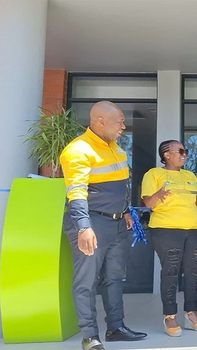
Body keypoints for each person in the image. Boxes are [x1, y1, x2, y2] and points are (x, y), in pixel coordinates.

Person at [60, 101, 147, 350]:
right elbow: (76, 192)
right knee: (86, 280)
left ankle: (116, 328)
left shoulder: (118, 150)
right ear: (100, 121)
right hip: (92, 222)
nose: (124, 126)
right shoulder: (78, 150)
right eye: (119, 121)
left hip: (118, 223)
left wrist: (127, 211)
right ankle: (90, 337)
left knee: (115, 278)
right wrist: (83, 227)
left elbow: (121, 187)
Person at [141, 140, 197, 336]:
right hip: (165, 229)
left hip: (192, 229)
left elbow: (196, 203)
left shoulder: (190, 175)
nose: (185, 154)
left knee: (194, 272)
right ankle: (169, 317)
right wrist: (158, 194)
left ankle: (191, 314)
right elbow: (148, 203)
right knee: (171, 272)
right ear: (166, 154)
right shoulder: (153, 174)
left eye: (186, 151)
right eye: (180, 151)